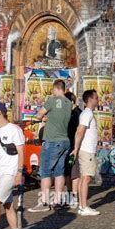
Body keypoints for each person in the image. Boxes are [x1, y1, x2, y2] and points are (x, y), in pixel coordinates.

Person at [29, 79, 72, 212]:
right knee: (60, 171)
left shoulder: (52, 100)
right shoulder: (69, 103)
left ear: (55, 89)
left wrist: (40, 118)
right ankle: (58, 200)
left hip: (52, 141)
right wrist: (50, 118)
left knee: (45, 171)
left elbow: (39, 115)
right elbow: (58, 117)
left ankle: (44, 202)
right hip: (65, 141)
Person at [69, 90, 100, 216]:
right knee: (86, 178)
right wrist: (76, 148)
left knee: (83, 178)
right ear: (91, 99)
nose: (98, 100)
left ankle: (82, 206)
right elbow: (80, 130)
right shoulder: (87, 114)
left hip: (86, 149)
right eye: (96, 98)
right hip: (86, 150)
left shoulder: (86, 113)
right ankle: (83, 206)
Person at [65, 92, 82, 209]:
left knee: (74, 172)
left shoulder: (77, 113)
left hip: (75, 146)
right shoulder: (69, 113)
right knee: (68, 171)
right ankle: (70, 193)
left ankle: (74, 196)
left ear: (71, 102)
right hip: (68, 145)